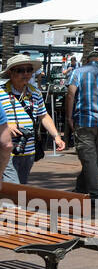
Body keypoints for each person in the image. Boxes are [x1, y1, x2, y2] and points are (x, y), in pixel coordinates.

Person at [1, 54, 67, 185]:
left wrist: (56, 136)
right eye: (20, 70)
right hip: (6, 151)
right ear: (10, 73)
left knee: (21, 186)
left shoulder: (35, 92)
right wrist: (7, 126)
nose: (25, 73)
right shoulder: (1, 92)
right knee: (13, 186)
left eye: (29, 70)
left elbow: (43, 116)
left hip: (28, 150)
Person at [64, 49, 98, 202]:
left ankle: (96, 194)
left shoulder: (78, 72)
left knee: (89, 159)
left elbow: (70, 95)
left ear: (87, 60)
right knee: (93, 160)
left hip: (83, 120)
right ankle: (81, 188)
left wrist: (69, 117)